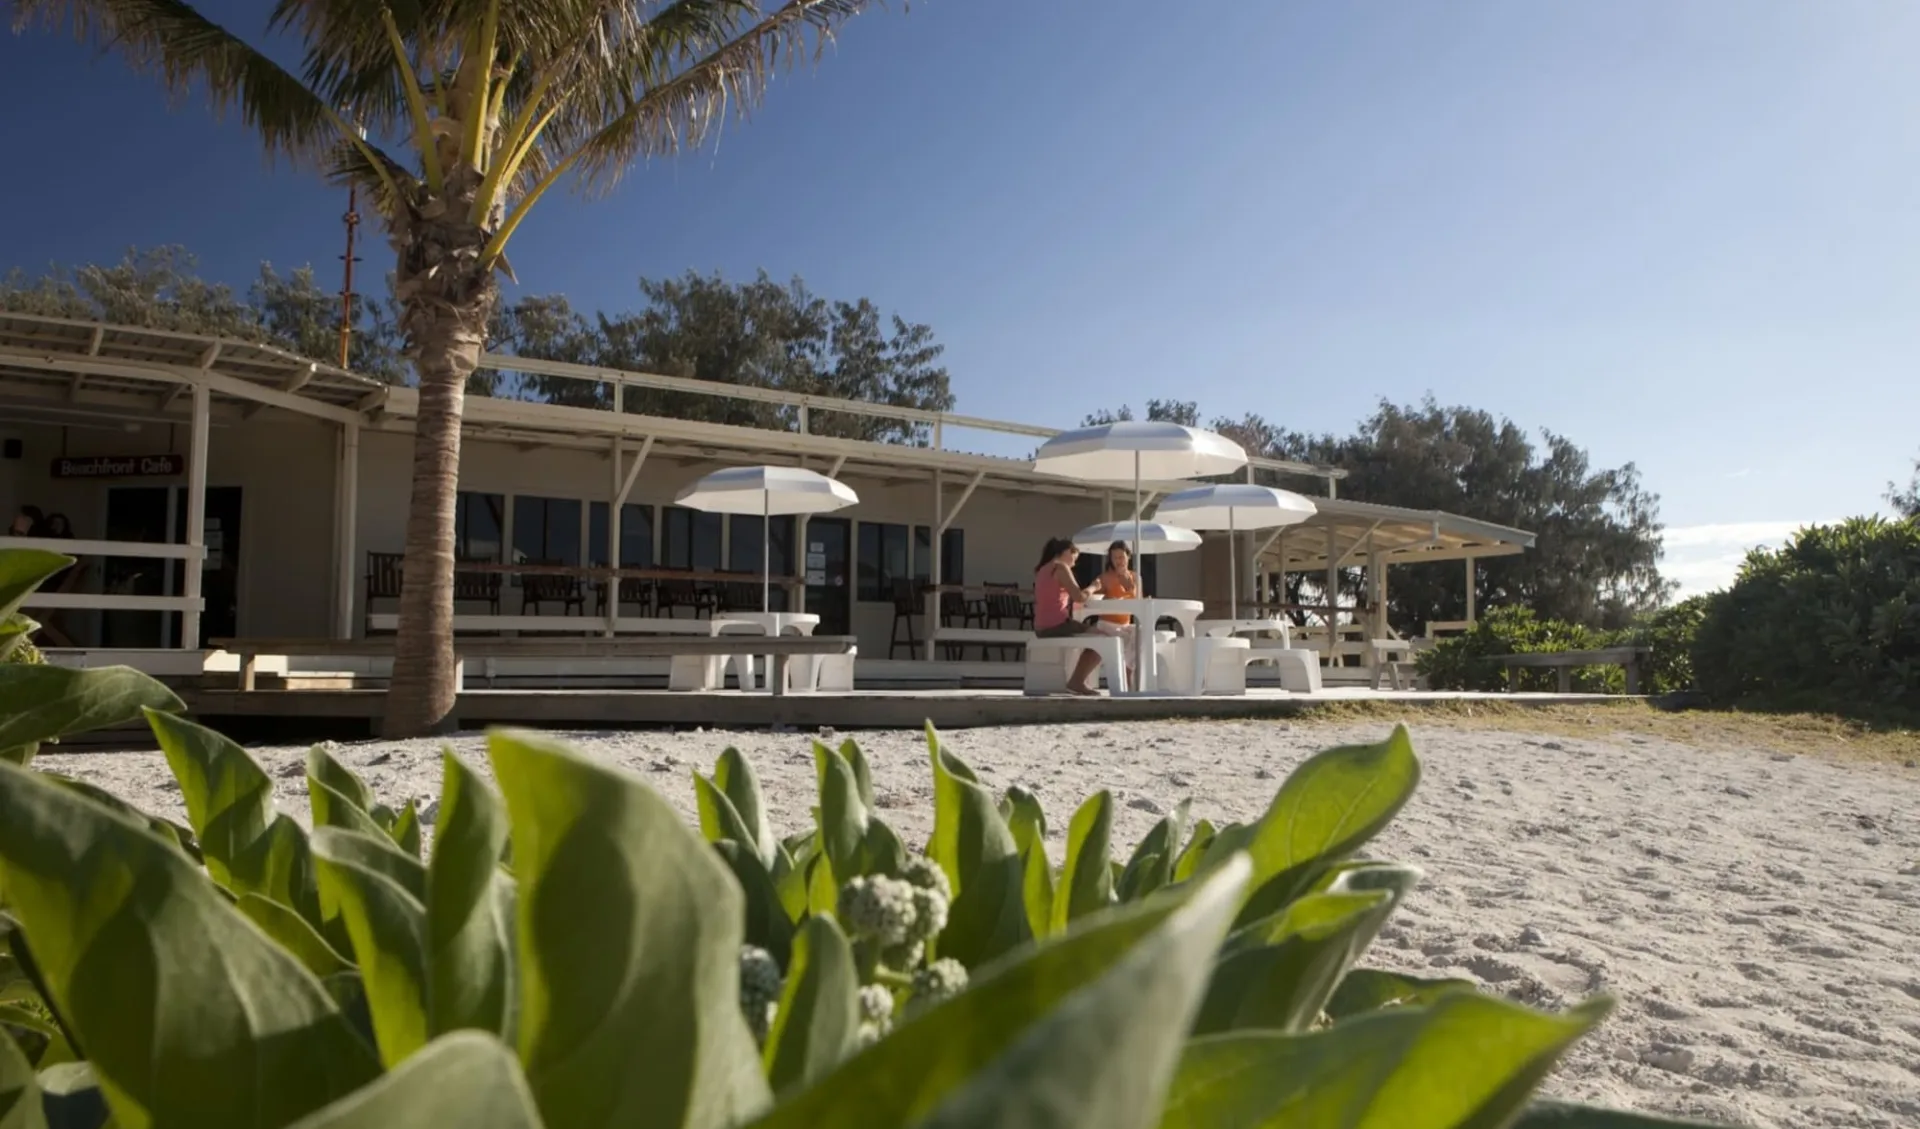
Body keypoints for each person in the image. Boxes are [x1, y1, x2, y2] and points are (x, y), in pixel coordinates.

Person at [1033, 537, 1105, 696]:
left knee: (1091, 636)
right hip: (1057, 625)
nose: (1074, 561)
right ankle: (1077, 682)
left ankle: (1078, 681)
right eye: (1073, 555)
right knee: (1104, 640)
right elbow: (1079, 596)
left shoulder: (1043, 569)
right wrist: (1094, 587)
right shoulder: (1060, 567)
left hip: (1040, 627)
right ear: (1064, 552)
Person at [1091, 540, 1140, 685]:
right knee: (1125, 637)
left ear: (1128, 557)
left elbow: (1139, 600)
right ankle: (1124, 676)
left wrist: (1128, 583)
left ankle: (1129, 673)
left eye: (1121, 557)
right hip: (1107, 624)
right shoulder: (1104, 578)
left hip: (1125, 624)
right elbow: (1093, 599)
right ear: (1110, 560)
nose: (1119, 561)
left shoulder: (1135, 577)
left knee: (1140, 633)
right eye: (1115, 558)